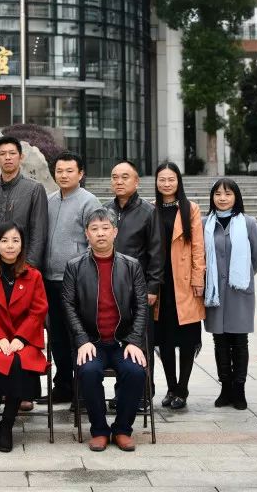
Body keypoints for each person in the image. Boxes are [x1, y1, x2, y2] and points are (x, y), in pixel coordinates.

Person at [63, 208, 149, 452]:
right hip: (91, 342)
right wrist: (81, 339)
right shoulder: (74, 266)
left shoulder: (131, 266)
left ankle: (122, 429)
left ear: (115, 232)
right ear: (86, 235)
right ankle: (99, 430)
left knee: (135, 372)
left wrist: (134, 340)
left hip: (123, 341)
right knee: (88, 371)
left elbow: (141, 305)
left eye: (105, 228)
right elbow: (68, 306)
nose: (100, 234)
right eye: (94, 229)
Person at [0, 221, 49, 453]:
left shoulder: (32, 276)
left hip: (24, 340)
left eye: (15, 240)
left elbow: (38, 311)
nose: (10, 246)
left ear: (22, 245)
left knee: (17, 362)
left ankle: (7, 424)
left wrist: (21, 338)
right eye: (4, 241)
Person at [43, 151, 101, 404]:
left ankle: (82, 387)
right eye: (59, 171)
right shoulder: (49, 200)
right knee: (55, 335)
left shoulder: (89, 201)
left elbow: (97, 239)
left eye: (69, 171)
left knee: (77, 334)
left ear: (81, 174)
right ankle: (63, 384)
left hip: (76, 282)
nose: (63, 175)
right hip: (49, 279)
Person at [202, 178, 257, 411]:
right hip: (215, 293)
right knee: (220, 341)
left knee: (239, 341)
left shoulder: (248, 223)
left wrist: (242, 276)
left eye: (228, 194)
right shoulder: (204, 224)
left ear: (236, 197)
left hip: (239, 292)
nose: (222, 198)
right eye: (218, 194)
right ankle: (225, 387)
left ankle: (239, 389)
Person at [105, 160, 164, 405]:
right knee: (118, 344)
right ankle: (122, 393)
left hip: (138, 291)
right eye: (115, 177)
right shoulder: (106, 210)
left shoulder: (148, 212)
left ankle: (143, 394)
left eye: (125, 177)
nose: (119, 181)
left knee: (140, 343)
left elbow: (157, 253)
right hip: (110, 290)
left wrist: (152, 288)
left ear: (136, 181)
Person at [153, 161, 205, 410]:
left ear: (178, 181)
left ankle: (182, 389)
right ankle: (171, 387)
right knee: (164, 340)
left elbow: (198, 246)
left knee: (186, 339)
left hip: (184, 283)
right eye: (161, 179)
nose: (166, 184)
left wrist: (198, 279)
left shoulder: (190, 208)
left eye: (170, 179)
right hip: (161, 284)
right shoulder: (151, 209)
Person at [0, 136, 48, 272]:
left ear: (21, 157)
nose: (8, 158)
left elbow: (39, 233)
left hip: (23, 267)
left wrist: (29, 267)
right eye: (2, 154)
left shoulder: (34, 189)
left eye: (12, 153)